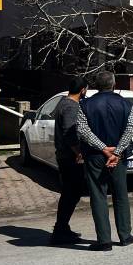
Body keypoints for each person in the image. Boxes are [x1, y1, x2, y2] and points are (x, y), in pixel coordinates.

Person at [76, 71, 133, 251]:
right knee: (121, 194)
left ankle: (104, 240)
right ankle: (125, 235)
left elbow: (82, 130)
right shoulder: (126, 104)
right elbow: (130, 129)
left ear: (95, 86)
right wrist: (116, 152)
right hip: (119, 156)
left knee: (98, 196)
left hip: (95, 156)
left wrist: (103, 149)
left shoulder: (85, 104)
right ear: (114, 84)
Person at [50, 76, 89, 245]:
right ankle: (60, 230)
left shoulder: (62, 103)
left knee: (70, 193)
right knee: (71, 193)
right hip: (69, 157)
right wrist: (78, 152)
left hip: (64, 155)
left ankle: (62, 228)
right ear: (83, 90)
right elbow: (69, 132)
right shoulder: (71, 107)